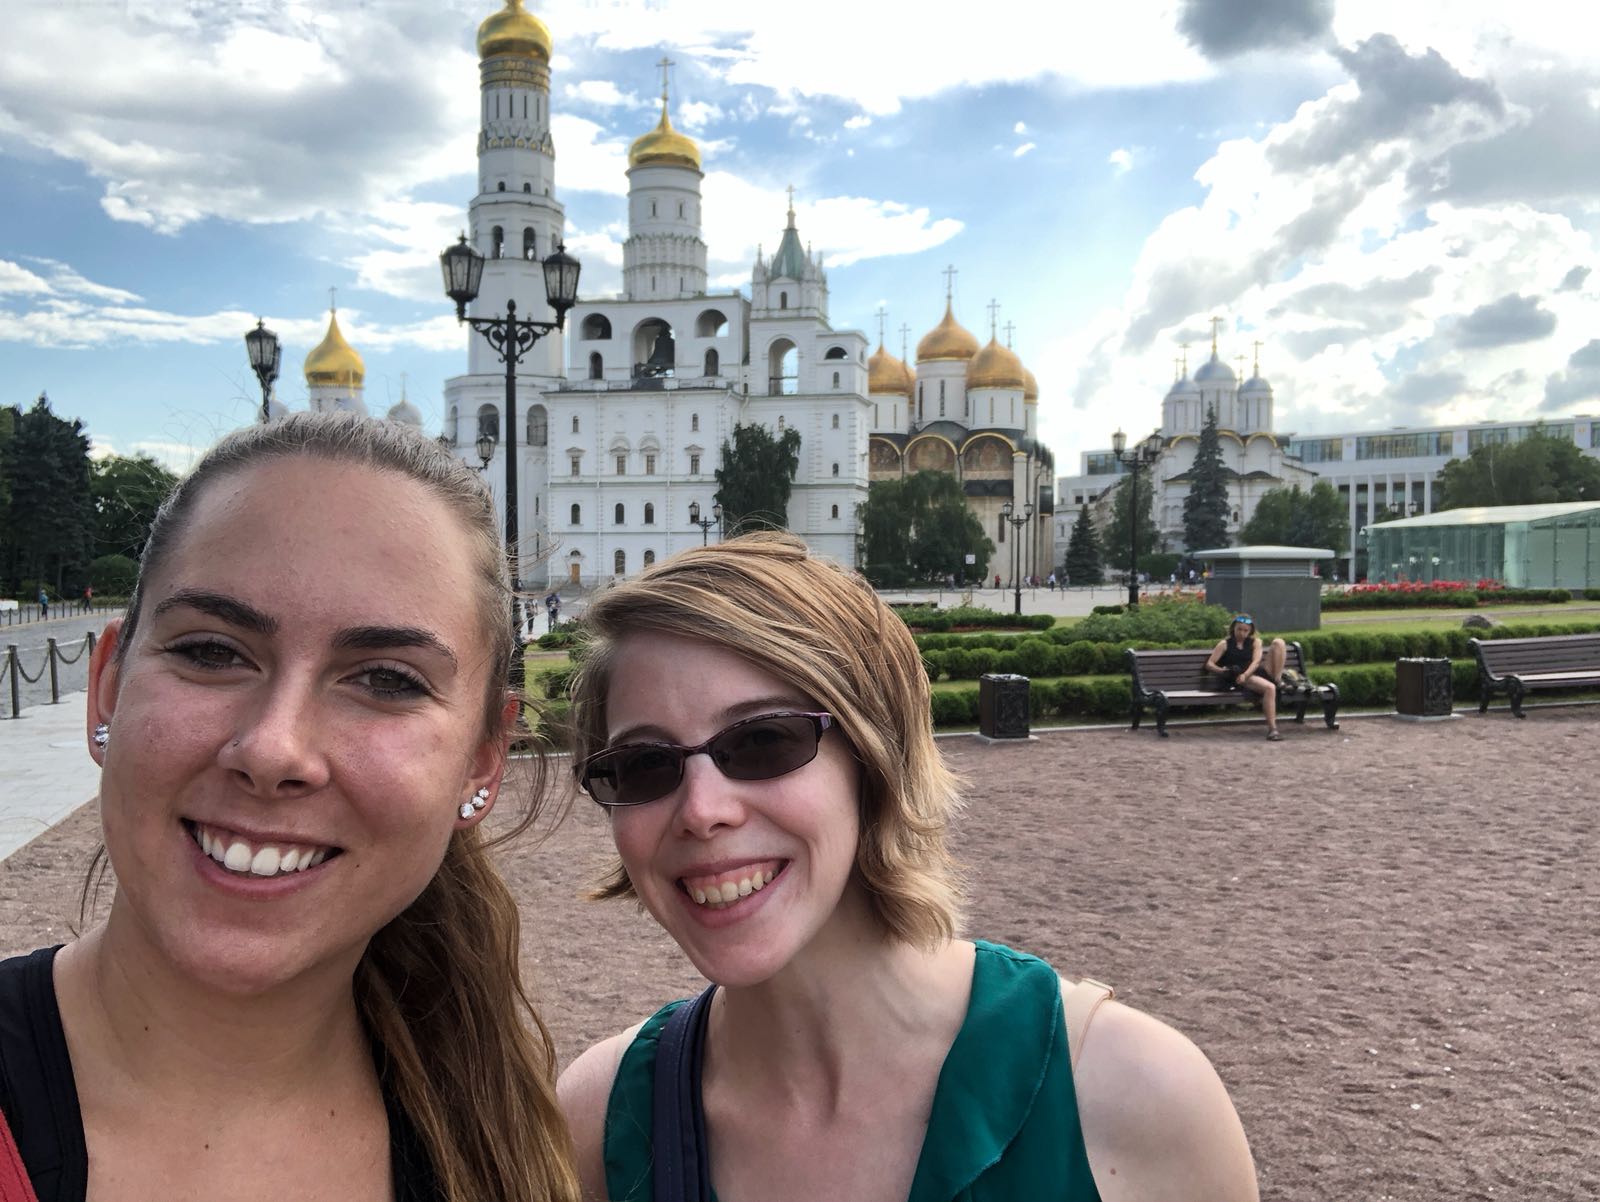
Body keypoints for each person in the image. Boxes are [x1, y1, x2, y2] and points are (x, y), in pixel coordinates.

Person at [558, 533, 1259, 1201]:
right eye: (645, 763)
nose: (702, 809)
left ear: (874, 759)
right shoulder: (595, 1123)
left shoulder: (1136, 1099)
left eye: (763, 741)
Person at [0, 414, 580, 1202]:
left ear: (483, 761)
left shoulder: (512, 1149)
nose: (273, 750)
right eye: (212, 651)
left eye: (385, 680)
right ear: (108, 685)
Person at [1204, 613, 1288, 741]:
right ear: (1233, 628)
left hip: (1253, 672)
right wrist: (1222, 671)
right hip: (1239, 677)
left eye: (1245, 630)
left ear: (1250, 631)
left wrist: (1246, 674)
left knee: (1279, 642)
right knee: (1269, 688)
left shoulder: (1256, 642)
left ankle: (1278, 679)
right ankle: (1273, 729)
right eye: (1239, 629)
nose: (1242, 633)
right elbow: (1209, 664)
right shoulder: (1224, 644)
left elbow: (1256, 661)